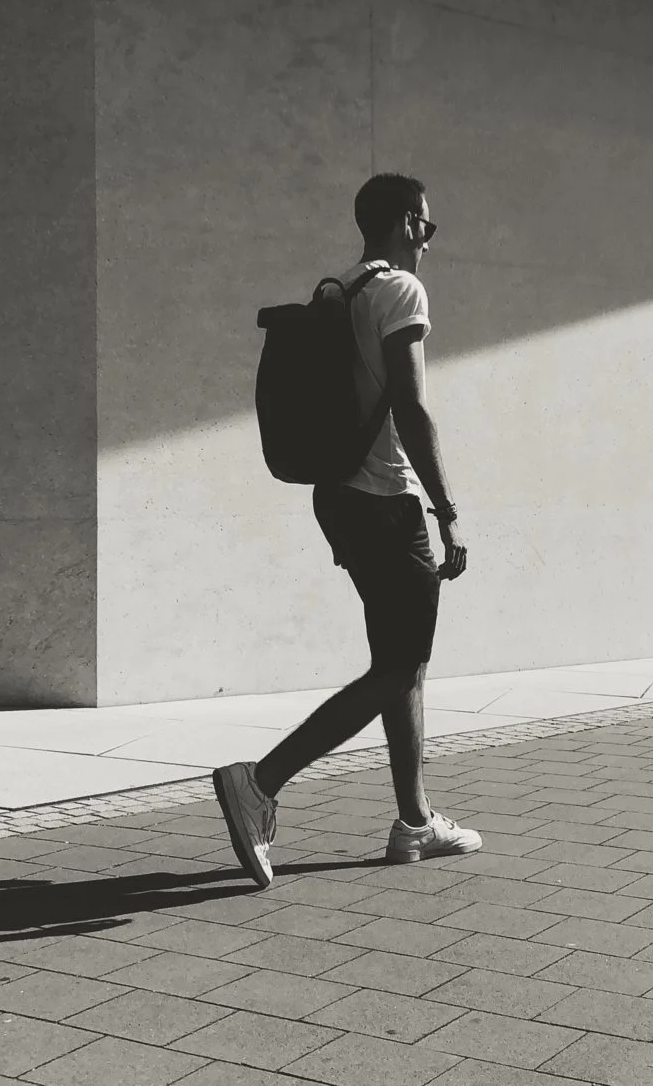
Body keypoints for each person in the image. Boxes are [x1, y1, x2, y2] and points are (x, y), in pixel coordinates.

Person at [213, 173, 481, 888]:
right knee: (398, 665)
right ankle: (259, 783)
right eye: (426, 226)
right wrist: (446, 508)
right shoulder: (400, 291)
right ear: (403, 222)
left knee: (403, 660)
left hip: (338, 496)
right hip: (386, 499)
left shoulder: (343, 286)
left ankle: (415, 823)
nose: (429, 240)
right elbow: (413, 407)